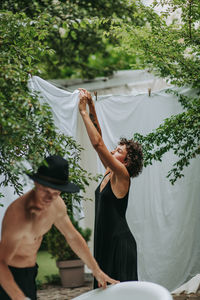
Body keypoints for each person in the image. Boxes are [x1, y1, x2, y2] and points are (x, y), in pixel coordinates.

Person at [0, 155, 119, 300]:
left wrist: (96, 270)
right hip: (8, 274)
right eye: (46, 191)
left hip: (30, 272)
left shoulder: (56, 205)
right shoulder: (17, 215)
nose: (49, 198)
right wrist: (19, 297)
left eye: (55, 193)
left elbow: (73, 237)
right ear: (37, 184)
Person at [79, 89, 143, 289]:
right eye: (116, 148)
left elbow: (98, 144)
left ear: (127, 160)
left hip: (120, 246)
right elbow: (100, 138)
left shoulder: (122, 175)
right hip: (106, 243)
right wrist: (91, 105)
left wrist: (82, 112)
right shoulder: (109, 171)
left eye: (119, 151)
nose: (114, 150)